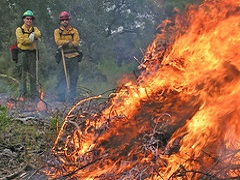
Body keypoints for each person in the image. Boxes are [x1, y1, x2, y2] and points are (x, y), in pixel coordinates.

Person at [54, 11, 81, 103]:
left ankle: (71, 98)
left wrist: (64, 43)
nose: (65, 21)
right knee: (61, 78)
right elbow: (58, 41)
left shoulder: (74, 31)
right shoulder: (57, 31)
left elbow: (76, 43)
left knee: (73, 78)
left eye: (66, 20)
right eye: (63, 20)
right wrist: (69, 42)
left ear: (68, 20)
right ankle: (61, 98)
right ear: (60, 21)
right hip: (63, 57)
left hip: (74, 57)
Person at [16, 10, 41, 100]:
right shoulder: (19, 29)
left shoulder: (34, 29)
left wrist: (34, 34)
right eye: (27, 19)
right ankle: (23, 96)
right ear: (24, 19)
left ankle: (34, 97)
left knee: (33, 76)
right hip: (22, 54)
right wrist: (30, 39)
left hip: (32, 54)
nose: (29, 20)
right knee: (22, 76)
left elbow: (39, 34)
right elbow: (21, 41)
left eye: (30, 19)